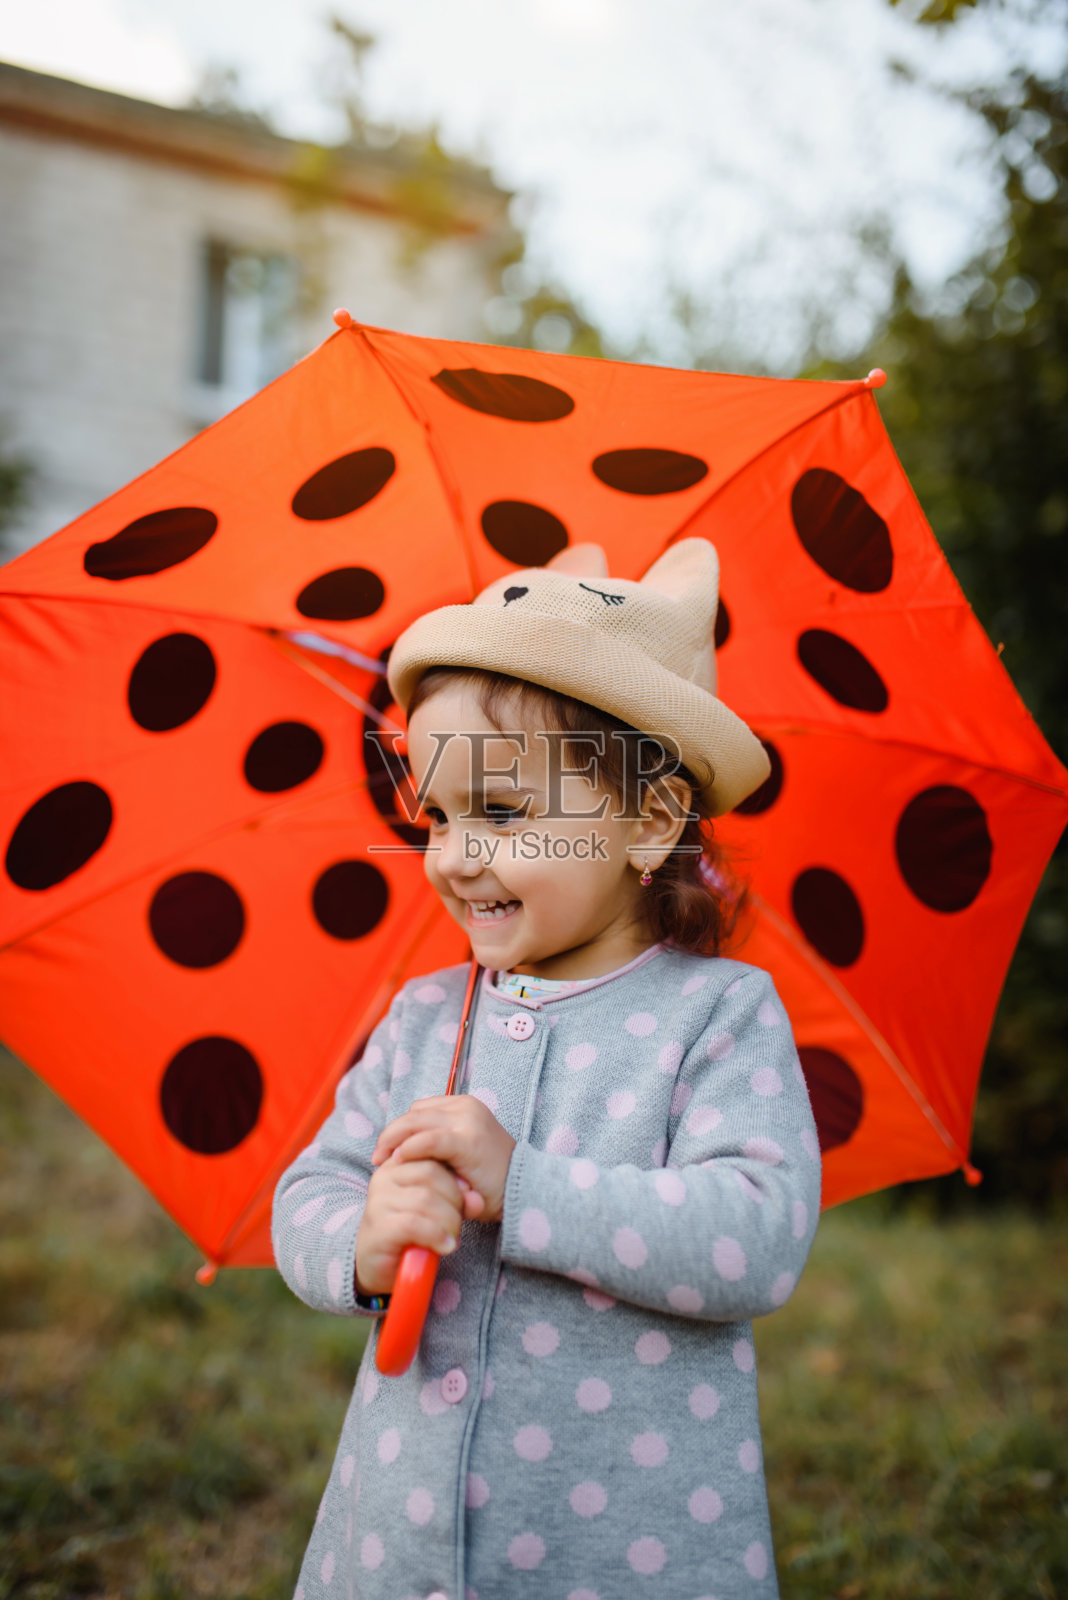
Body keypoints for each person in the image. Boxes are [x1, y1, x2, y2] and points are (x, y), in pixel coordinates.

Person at [272, 537, 822, 1599]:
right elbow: (311, 1191)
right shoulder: (428, 1016)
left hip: (623, 1545)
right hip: (402, 1536)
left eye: (503, 811)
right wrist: (362, 1242)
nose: (454, 855)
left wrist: (523, 1185)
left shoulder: (714, 1015)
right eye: (437, 816)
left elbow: (755, 1240)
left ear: (649, 821)